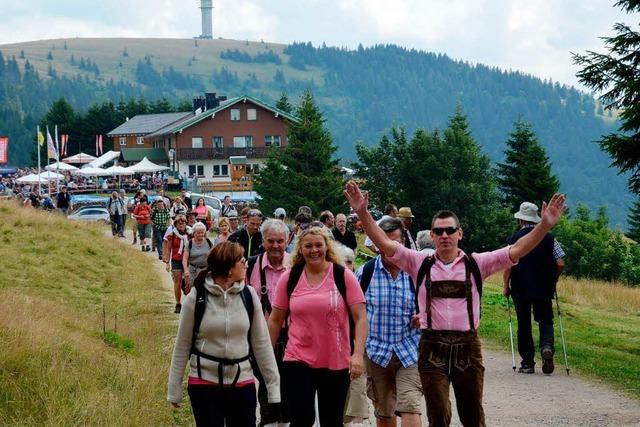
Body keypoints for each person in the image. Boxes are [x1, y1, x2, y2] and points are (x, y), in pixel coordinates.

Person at [344, 180, 566, 427]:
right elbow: (385, 245)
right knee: (438, 416)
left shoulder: (477, 264)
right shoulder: (419, 263)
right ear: (432, 236)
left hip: (467, 347)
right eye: (439, 231)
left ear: (460, 233)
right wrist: (363, 212)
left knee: (472, 415)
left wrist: (545, 225)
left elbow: (517, 250)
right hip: (432, 346)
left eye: (450, 230)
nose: (445, 236)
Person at [167, 241, 280, 427]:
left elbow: (262, 345)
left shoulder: (249, 295)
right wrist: (174, 389)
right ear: (228, 268)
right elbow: (182, 345)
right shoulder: (196, 297)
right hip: (204, 385)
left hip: (242, 383)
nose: (246, 264)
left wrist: (273, 388)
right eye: (242, 260)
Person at [267, 226, 368, 426]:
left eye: (318, 245)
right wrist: (266, 357)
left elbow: (360, 318)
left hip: (336, 359)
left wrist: (357, 355)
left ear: (327, 247)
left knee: (332, 420)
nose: (314, 250)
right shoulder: (290, 277)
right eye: (308, 246)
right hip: (298, 357)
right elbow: (275, 319)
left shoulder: (342, 275)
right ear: (300, 249)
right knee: (301, 418)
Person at [357, 217, 423, 427]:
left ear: (403, 243)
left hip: (410, 350)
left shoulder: (417, 272)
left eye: (396, 242)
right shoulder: (364, 273)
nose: (391, 247)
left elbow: (434, 305)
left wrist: (424, 316)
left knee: (410, 406)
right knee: (384, 413)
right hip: (377, 352)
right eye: (385, 241)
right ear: (377, 245)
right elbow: (355, 314)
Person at [503, 202, 566, 375]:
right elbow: (560, 263)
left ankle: (528, 363)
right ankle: (546, 347)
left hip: (520, 287)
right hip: (544, 287)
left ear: (521, 220)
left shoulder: (513, 239)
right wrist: (553, 279)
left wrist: (505, 286)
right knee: (545, 320)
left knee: (524, 324)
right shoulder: (549, 237)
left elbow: (508, 264)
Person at [246, 219, 291, 426]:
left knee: (288, 384)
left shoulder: (297, 265)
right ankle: (268, 419)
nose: (275, 246)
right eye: (270, 241)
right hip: (260, 337)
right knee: (266, 382)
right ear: (263, 241)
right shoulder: (250, 265)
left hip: (292, 339)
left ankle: (282, 420)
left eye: (280, 241)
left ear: (288, 240)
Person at [341, 245, 370, 427]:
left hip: (356, 352)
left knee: (357, 400)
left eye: (349, 262)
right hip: (332, 355)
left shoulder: (360, 285)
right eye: (341, 262)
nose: (346, 266)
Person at [164, 214, 191, 314]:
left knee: (188, 281)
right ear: (175, 224)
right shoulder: (172, 235)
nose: (181, 224)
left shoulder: (190, 234)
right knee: (177, 282)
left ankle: (188, 302)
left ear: (185, 223)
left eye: (183, 222)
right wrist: (167, 262)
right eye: (178, 223)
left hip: (188, 260)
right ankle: (178, 303)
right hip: (176, 260)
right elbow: (168, 249)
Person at [183, 222, 213, 288]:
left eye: (202, 232)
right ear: (194, 233)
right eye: (198, 233)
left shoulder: (208, 242)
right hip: (193, 270)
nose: (200, 234)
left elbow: (213, 256)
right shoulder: (189, 243)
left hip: (205, 270)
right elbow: (185, 258)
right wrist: (186, 270)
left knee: (205, 288)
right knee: (192, 288)